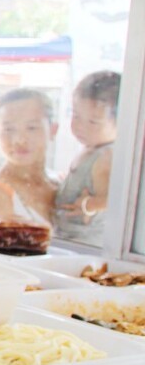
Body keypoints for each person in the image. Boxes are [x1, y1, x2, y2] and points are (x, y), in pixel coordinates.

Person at [0, 88, 58, 224]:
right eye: (9, 129)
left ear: (53, 130)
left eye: (32, 128)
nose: (20, 140)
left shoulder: (63, 184)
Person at [54, 71, 120, 241]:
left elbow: (117, 200)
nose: (81, 126)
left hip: (86, 241)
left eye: (93, 122)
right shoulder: (93, 148)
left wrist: (88, 205)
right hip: (70, 237)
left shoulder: (107, 156)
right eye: (76, 116)